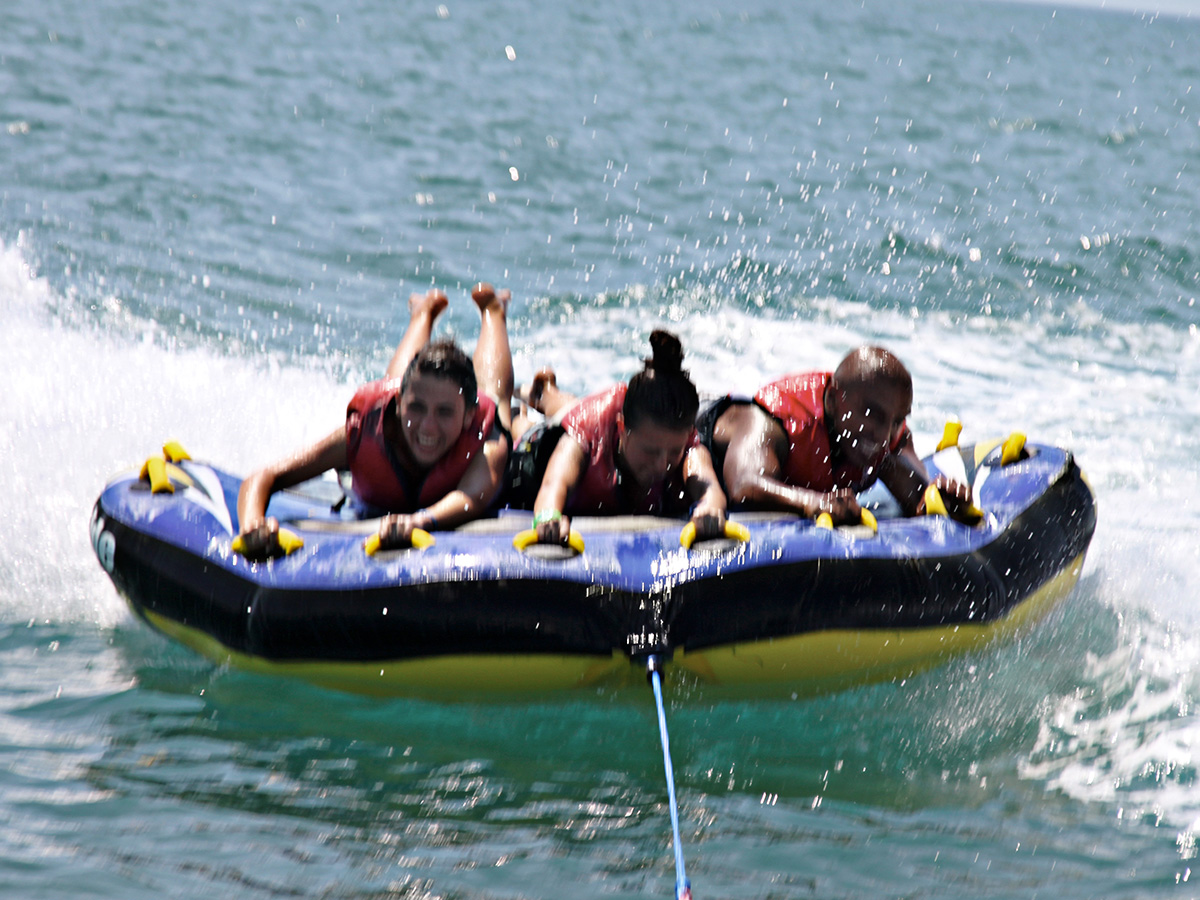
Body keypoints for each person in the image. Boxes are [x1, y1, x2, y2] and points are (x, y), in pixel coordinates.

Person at [235, 283, 515, 559]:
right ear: (398, 404)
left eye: (444, 413)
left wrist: (420, 521)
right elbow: (264, 477)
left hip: (478, 418)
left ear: (467, 416)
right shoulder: (364, 432)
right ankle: (422, 313)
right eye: (415, 408)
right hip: (398, 400)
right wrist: (252, 525)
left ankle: (493, 310)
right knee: (396, 381)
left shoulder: (487, 439)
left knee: (494, 394)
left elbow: (470, 499)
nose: (427, 426)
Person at [696, 345, 975, 525]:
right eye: (872, 414)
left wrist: (940, 498)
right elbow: (745, 487)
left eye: (897, 420)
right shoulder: (773, 422)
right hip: (698, 425)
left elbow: (918, 494)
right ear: (831, 400)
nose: (883, 435)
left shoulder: (888, 436)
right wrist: (813, 503)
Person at [511, 330, 728, 546]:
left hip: (595, 409)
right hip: (547, 442)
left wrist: (710, 507)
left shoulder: (687, 442)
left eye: (674, 452)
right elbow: (553, 484)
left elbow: (709, 489)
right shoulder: (585, 433)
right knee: (522, 427)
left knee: (573, 408)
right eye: (650, 451)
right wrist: (549, 516)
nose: (662, 465)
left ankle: (547, 391)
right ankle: (539, 395)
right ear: (622, 428)